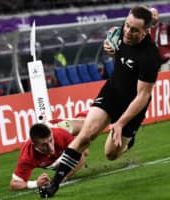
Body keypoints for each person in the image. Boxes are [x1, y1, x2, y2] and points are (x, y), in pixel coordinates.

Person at [39, 5, 161, 198]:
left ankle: (128, 142)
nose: (128, 32)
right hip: (112, 92)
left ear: (146, 32)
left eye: (135, 30)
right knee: (86, 136)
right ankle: (54, 185)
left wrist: (120, 123)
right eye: (127, 26)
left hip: (132, 105)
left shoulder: (150, 57)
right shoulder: (121, 32)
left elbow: (143, 96)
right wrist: (110, 48)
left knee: (111, 154)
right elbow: (115, 37)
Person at [10, 123, 88, 190]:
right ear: (35, 145)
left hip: (62, 126)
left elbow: (81, 156)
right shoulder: (27, 156)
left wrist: (62, 177)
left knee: (88, 129)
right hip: (55, 158)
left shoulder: (60, 135)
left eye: (51, 141)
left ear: (51, 136)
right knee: (62, 165)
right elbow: (14, 184)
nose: (51, 148)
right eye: (44, 145)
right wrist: (36, 184)